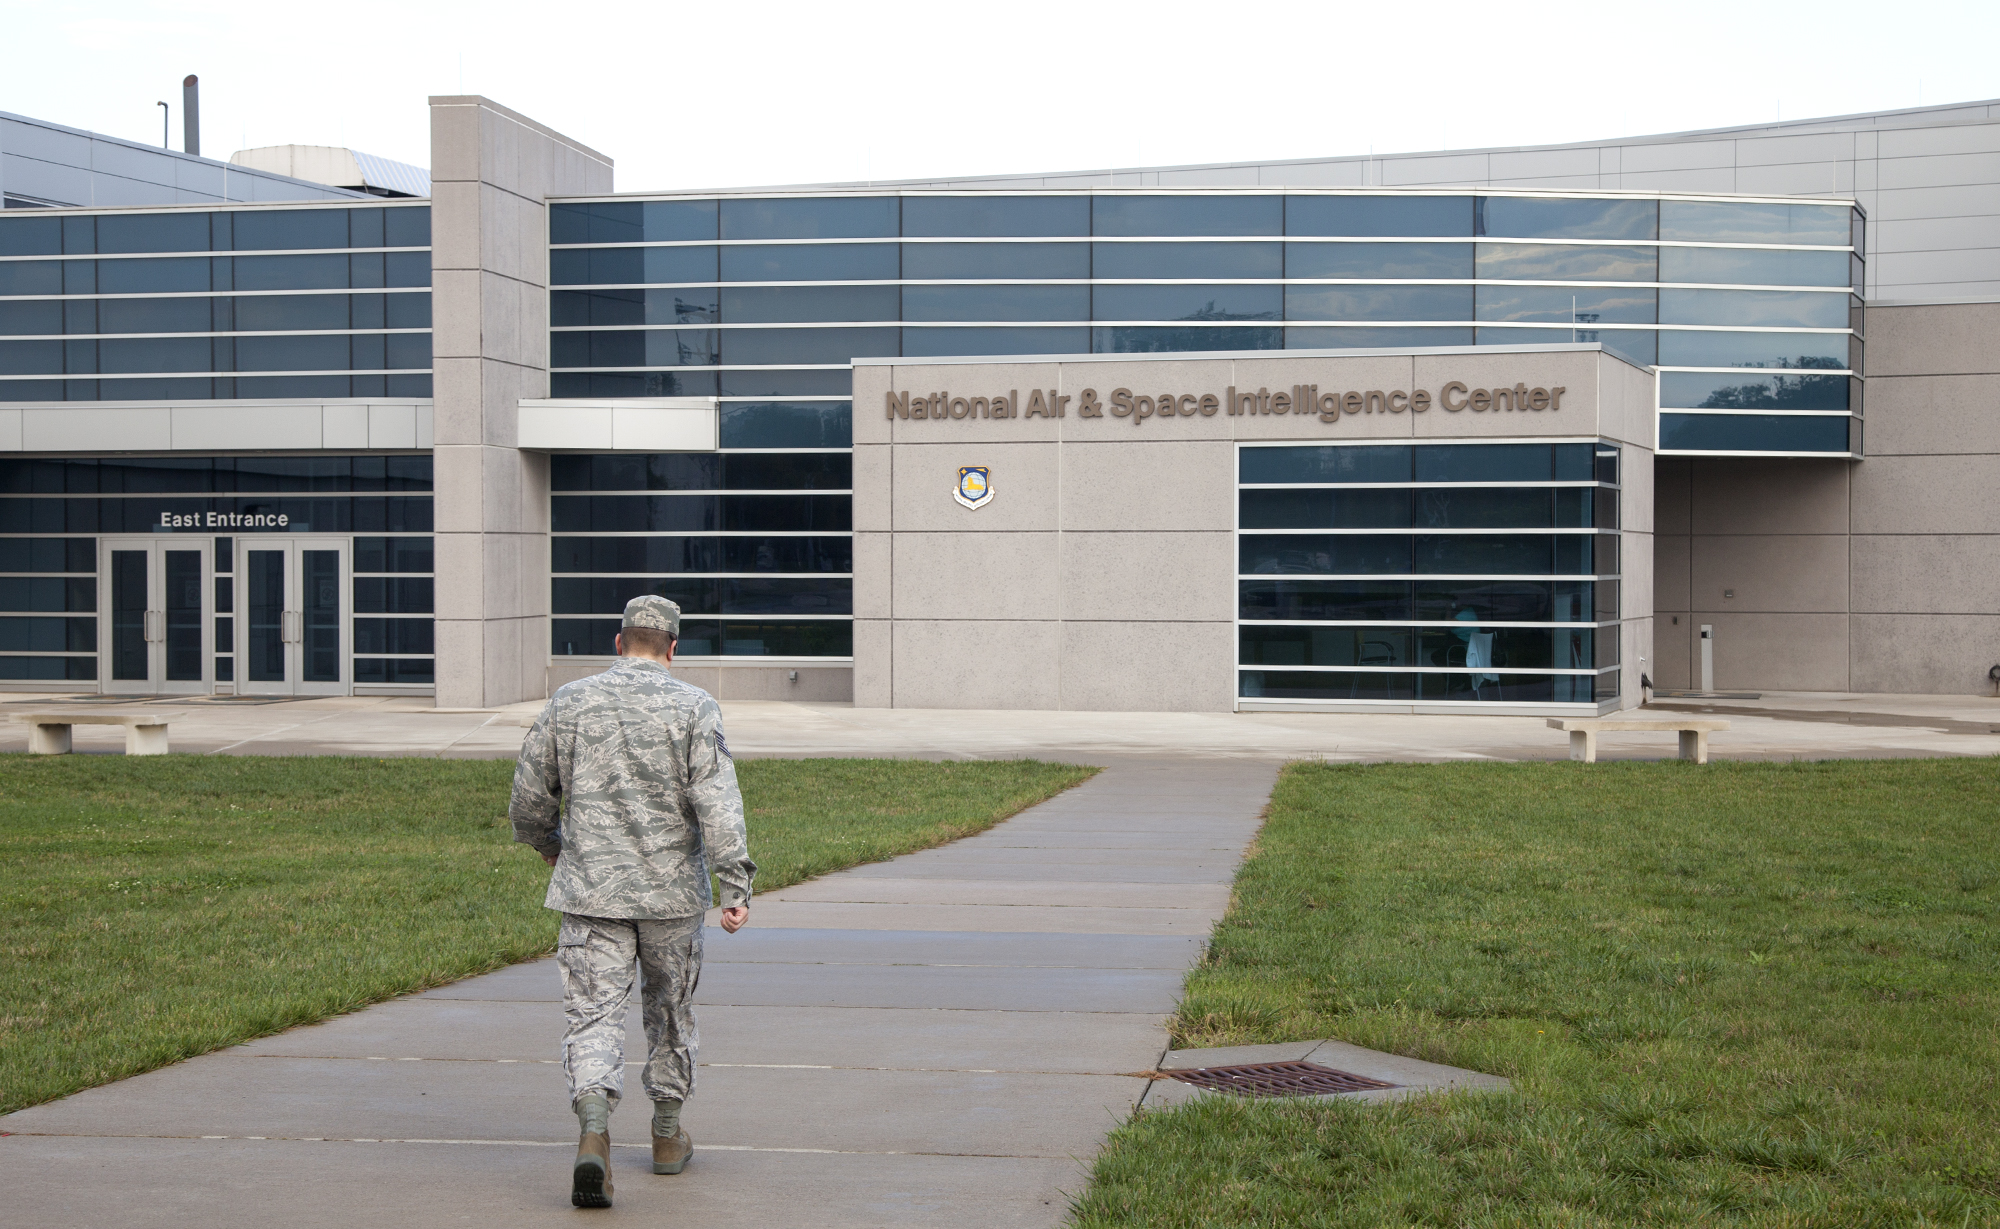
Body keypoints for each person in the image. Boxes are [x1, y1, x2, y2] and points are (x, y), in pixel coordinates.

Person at [509, 594, 756, 1209]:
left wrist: (548, 844)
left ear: (619, 642)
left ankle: (594, 1130)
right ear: (673, 647)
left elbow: (529, 796)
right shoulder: (695, 707)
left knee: (592, 1014)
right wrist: (735, 884)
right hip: (671, 896)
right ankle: (667, 1136)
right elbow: (719, 805)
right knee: (670, 1010)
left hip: (591, 892)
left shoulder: (570, 701)